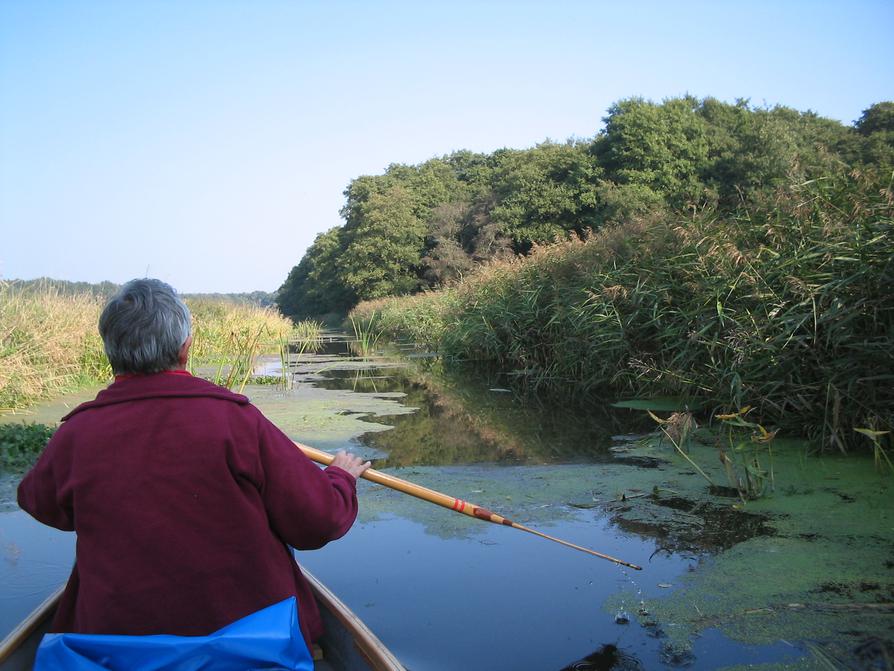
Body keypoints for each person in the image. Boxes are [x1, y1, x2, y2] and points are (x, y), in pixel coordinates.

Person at [17, 278, 370, 650]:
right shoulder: (236, 421)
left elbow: (38, 501)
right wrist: (340, 478)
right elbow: (317, 522)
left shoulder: (77, 432)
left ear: (110, 352)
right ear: (186, 348)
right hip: (248, 643)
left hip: (116, 646)